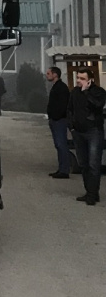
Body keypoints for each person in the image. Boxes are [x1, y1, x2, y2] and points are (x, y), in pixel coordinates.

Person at [65, 69, 104, 206]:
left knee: (93, 164)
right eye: (78, 78)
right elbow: (69, 109)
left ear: (90, 80)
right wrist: (72, 127)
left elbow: (98, 106)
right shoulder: (74, 92)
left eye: (82, 78)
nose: (78, 81)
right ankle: (90, 192)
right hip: (78, 132)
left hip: (93, 132)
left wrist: (86, 92)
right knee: (83, 164)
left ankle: (92, 195)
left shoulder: (99, 92)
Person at [45, 67, 71, 179]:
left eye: (48, 73)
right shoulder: (56, 87)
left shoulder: (61, 88)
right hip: (55, 119)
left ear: (55, 74)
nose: (47, 75)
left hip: (59, 120)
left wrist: (56, 116)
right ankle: (61, 168)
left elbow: (63, 105)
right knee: (58, 145)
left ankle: (64, 170)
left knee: (61, 144)